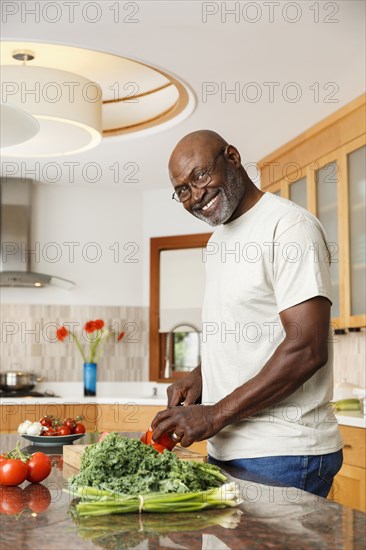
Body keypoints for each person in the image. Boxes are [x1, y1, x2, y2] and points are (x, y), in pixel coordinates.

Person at [151, 130, 343, 497]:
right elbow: (244, 332)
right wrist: (200, 376)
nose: (196, 196)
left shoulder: (288, 227)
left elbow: (307, 349)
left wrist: (213, 415)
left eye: (200, 175)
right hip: (228, 448)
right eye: (183, 190)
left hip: (284, 450)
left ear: (233, 158)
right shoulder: (217, 242)